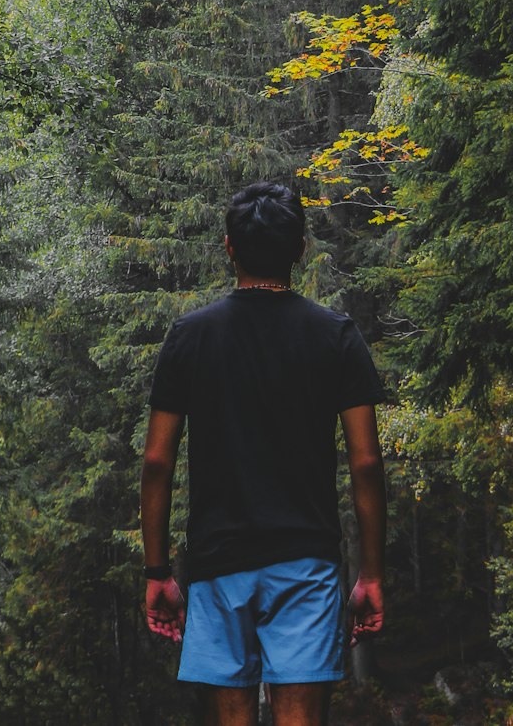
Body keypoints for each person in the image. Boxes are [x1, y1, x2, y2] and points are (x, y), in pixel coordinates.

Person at [140, 181, 387, 726]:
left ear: (229, 248)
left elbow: (157, 462)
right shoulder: (336, 335)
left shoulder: (190, 336)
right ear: (300, 249)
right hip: (305, 563)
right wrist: (371, 574)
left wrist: (157, 571)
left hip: (217, 565)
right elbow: (366, 463)